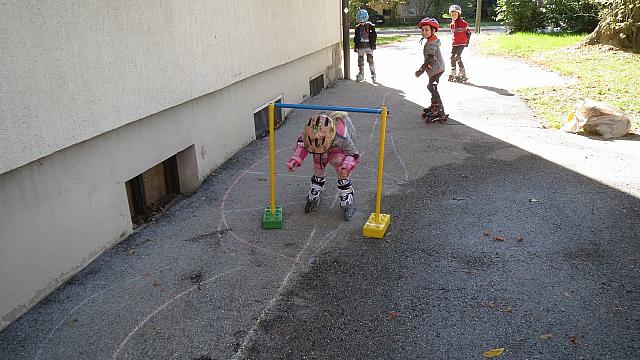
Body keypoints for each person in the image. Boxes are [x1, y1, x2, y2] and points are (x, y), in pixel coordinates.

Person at [286, 111, 360, 219]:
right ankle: (317, 182)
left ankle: (345, 187)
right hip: (324, 141)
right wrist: (295, 160)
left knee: (338, 161)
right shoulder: (309, 132)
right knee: (319, 156)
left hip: (337, 146)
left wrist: (346, 167)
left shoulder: (341, 136)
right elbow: (302, 145)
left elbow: (353, 153)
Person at [415, 18, 448, 122]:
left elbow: (429, 59)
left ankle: (438, 110)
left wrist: (421, 70)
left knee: (432, 87)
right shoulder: (431, 41)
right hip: (435, 69)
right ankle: (435, 106)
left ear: (433, 31)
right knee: (431, 87)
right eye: (422, 30)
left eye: (426, 30)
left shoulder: (432, 44)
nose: (423, 32)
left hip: (436, 69)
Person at [448, 5, 472, 82]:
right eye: (452, 14)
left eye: (455, 14)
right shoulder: (452, 24)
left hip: (462, 43)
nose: (453, 16)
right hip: (454, 43)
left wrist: (467, 42)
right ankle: (453, 71)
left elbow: (469, 32)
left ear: (459, 14)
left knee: (457, 57)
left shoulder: (464, 23)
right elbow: (454, 34)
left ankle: (462, 72)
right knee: (452, 57)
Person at [353, 9, 378, 83]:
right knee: (360, 60)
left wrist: (373, 45)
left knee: (370, 59)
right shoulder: (357, 28)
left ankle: (373, 73)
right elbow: (356, 38)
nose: (362, 23)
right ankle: (361, 73)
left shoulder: (370, 26)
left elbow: (374, 36)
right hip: (360, 45)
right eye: (360, 22)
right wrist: (356, 47)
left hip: (368, 45)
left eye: (363, 22)